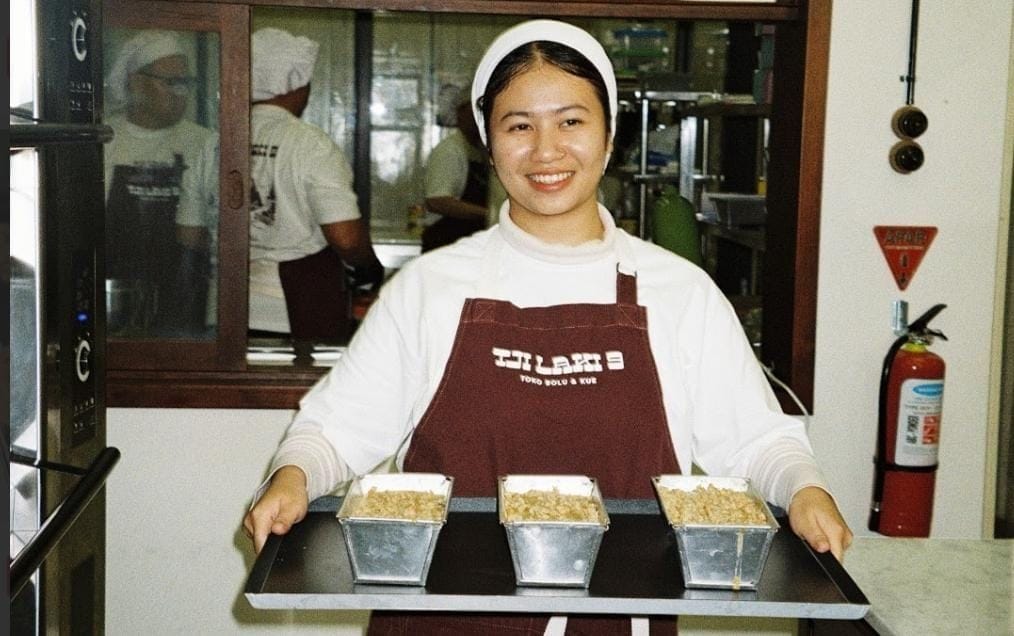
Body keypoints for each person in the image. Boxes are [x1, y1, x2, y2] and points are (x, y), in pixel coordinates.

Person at [244, 19, 852, 634]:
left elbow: (754, 440)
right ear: (489, 142)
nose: (546, 150)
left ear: (609, 135)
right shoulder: (432, 287)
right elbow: (337, 430)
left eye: (571, 121)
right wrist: (292, 476)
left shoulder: (680, 293)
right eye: (519, 126)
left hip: (616, 618)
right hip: (443, 619)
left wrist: (805, 489)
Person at [248, 28, 384, 341]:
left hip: (223, 309)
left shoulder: (218, 138)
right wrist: (369, 269)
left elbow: (190, 234)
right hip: (293, 308)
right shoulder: (309, 144)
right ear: (295, 83)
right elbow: (346, 238)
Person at [104, 29, 218, 337]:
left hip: (187, 309)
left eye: (186, 83)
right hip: (115, 307)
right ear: (136, 82)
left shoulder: (205, 143)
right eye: (172, 82)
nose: (182, 92)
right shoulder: (103, 140)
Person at [420, 99, 506, 252]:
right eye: (474, 112)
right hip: (446, 244)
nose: (479, 118)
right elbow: (437, 201)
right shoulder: (450, 150)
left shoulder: (479, 150)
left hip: (469, 245)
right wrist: (490, 214)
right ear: (460, 114)